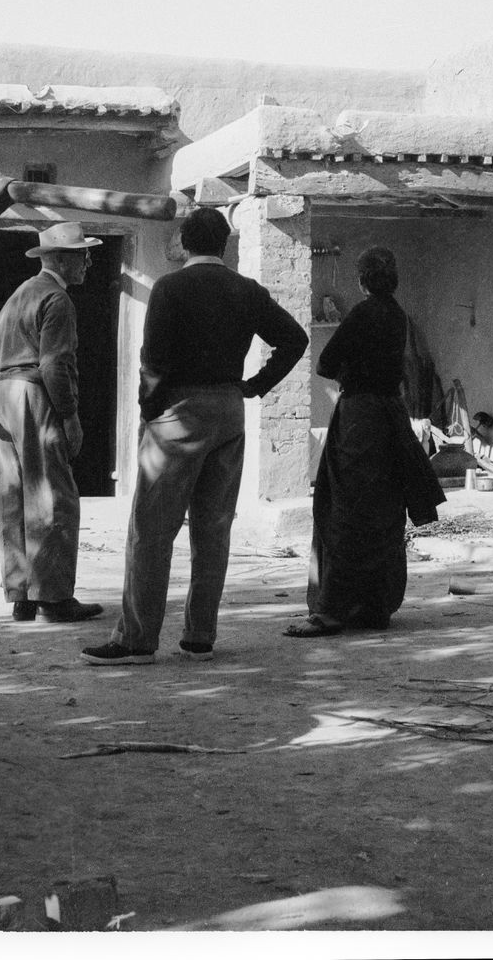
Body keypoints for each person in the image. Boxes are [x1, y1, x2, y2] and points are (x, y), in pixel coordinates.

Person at [82, 207, 308, 666]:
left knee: (151, 529)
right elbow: (295, 339)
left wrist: (149, 409)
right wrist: (255, 385)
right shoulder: (246, 290)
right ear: (224, 243)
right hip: (228, 409)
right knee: (214, 528)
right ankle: (199, 636)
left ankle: (137, 639)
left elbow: (154, 358)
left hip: (179, 412)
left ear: (184, 243)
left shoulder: (170, 287)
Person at [285, 246, 445, 638]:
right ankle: (374, 606)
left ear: (362, 281)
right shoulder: (398, 316)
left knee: (344, 510)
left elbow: (325, 363)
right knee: (383, 510)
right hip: (391, 416)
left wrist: (350, 373)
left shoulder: (363, 312)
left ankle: (331, 611)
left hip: (359, 419)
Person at [0, 220, 105, 624]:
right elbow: (55, 364)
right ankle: (53, 597)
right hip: (34, 394)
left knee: (12, 497)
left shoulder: (18, 296)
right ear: (63, 261)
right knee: (53, 497)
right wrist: (69, 417)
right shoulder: (57, 299)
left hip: (3, 396)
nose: (87, 263)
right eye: (82, 255)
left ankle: (22, 595)